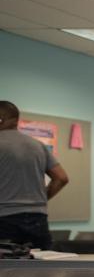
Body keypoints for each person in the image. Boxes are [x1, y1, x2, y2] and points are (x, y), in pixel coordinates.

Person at [0, 100, 69, 249]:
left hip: (4, 220)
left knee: (6, 270)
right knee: (41, 269)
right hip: (38, 219)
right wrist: (41, 198)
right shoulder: (37, 145)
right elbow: (61, 178)